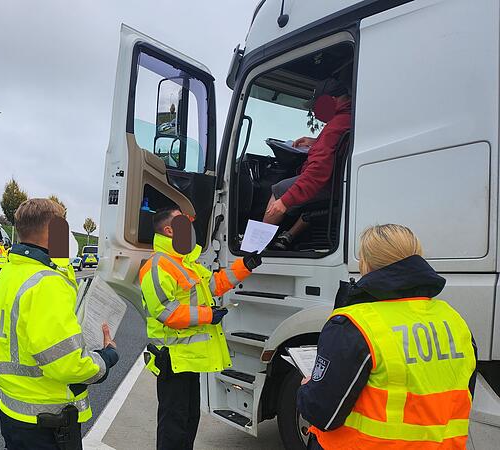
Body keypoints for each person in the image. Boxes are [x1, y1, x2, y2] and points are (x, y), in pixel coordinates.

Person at [297, 224, 477, 449]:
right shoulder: (454, 320)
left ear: (366, 264)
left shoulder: (354, 325)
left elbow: (322, 413)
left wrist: (307, 387)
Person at [0, 198, 119, 450]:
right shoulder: (47, 283)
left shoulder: (6, 276)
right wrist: (107, 357)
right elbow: (67, 365)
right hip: (48, 421)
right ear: (53, 232)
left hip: (13, 411)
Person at [140, 207, 262, 450]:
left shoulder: (187, 263)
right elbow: (166, 311)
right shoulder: (157, 265)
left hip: (188, 359)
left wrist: (245, 265)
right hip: (172, 359)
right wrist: (209, 315)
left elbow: (215, 284)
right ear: (169, 230)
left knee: (188, 420)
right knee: (173, 425)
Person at [264, 73, 353, 250]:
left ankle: (257, 244)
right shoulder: (348, 118)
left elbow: (317, 172)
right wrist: (314, 142)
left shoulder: (334, 127)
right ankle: (287, 236)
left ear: (332, 100)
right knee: (299, 189)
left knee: (280, 189)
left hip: (329, 183)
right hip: (339, 182)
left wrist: (284, 201)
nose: (316, 112)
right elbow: (336, 146)